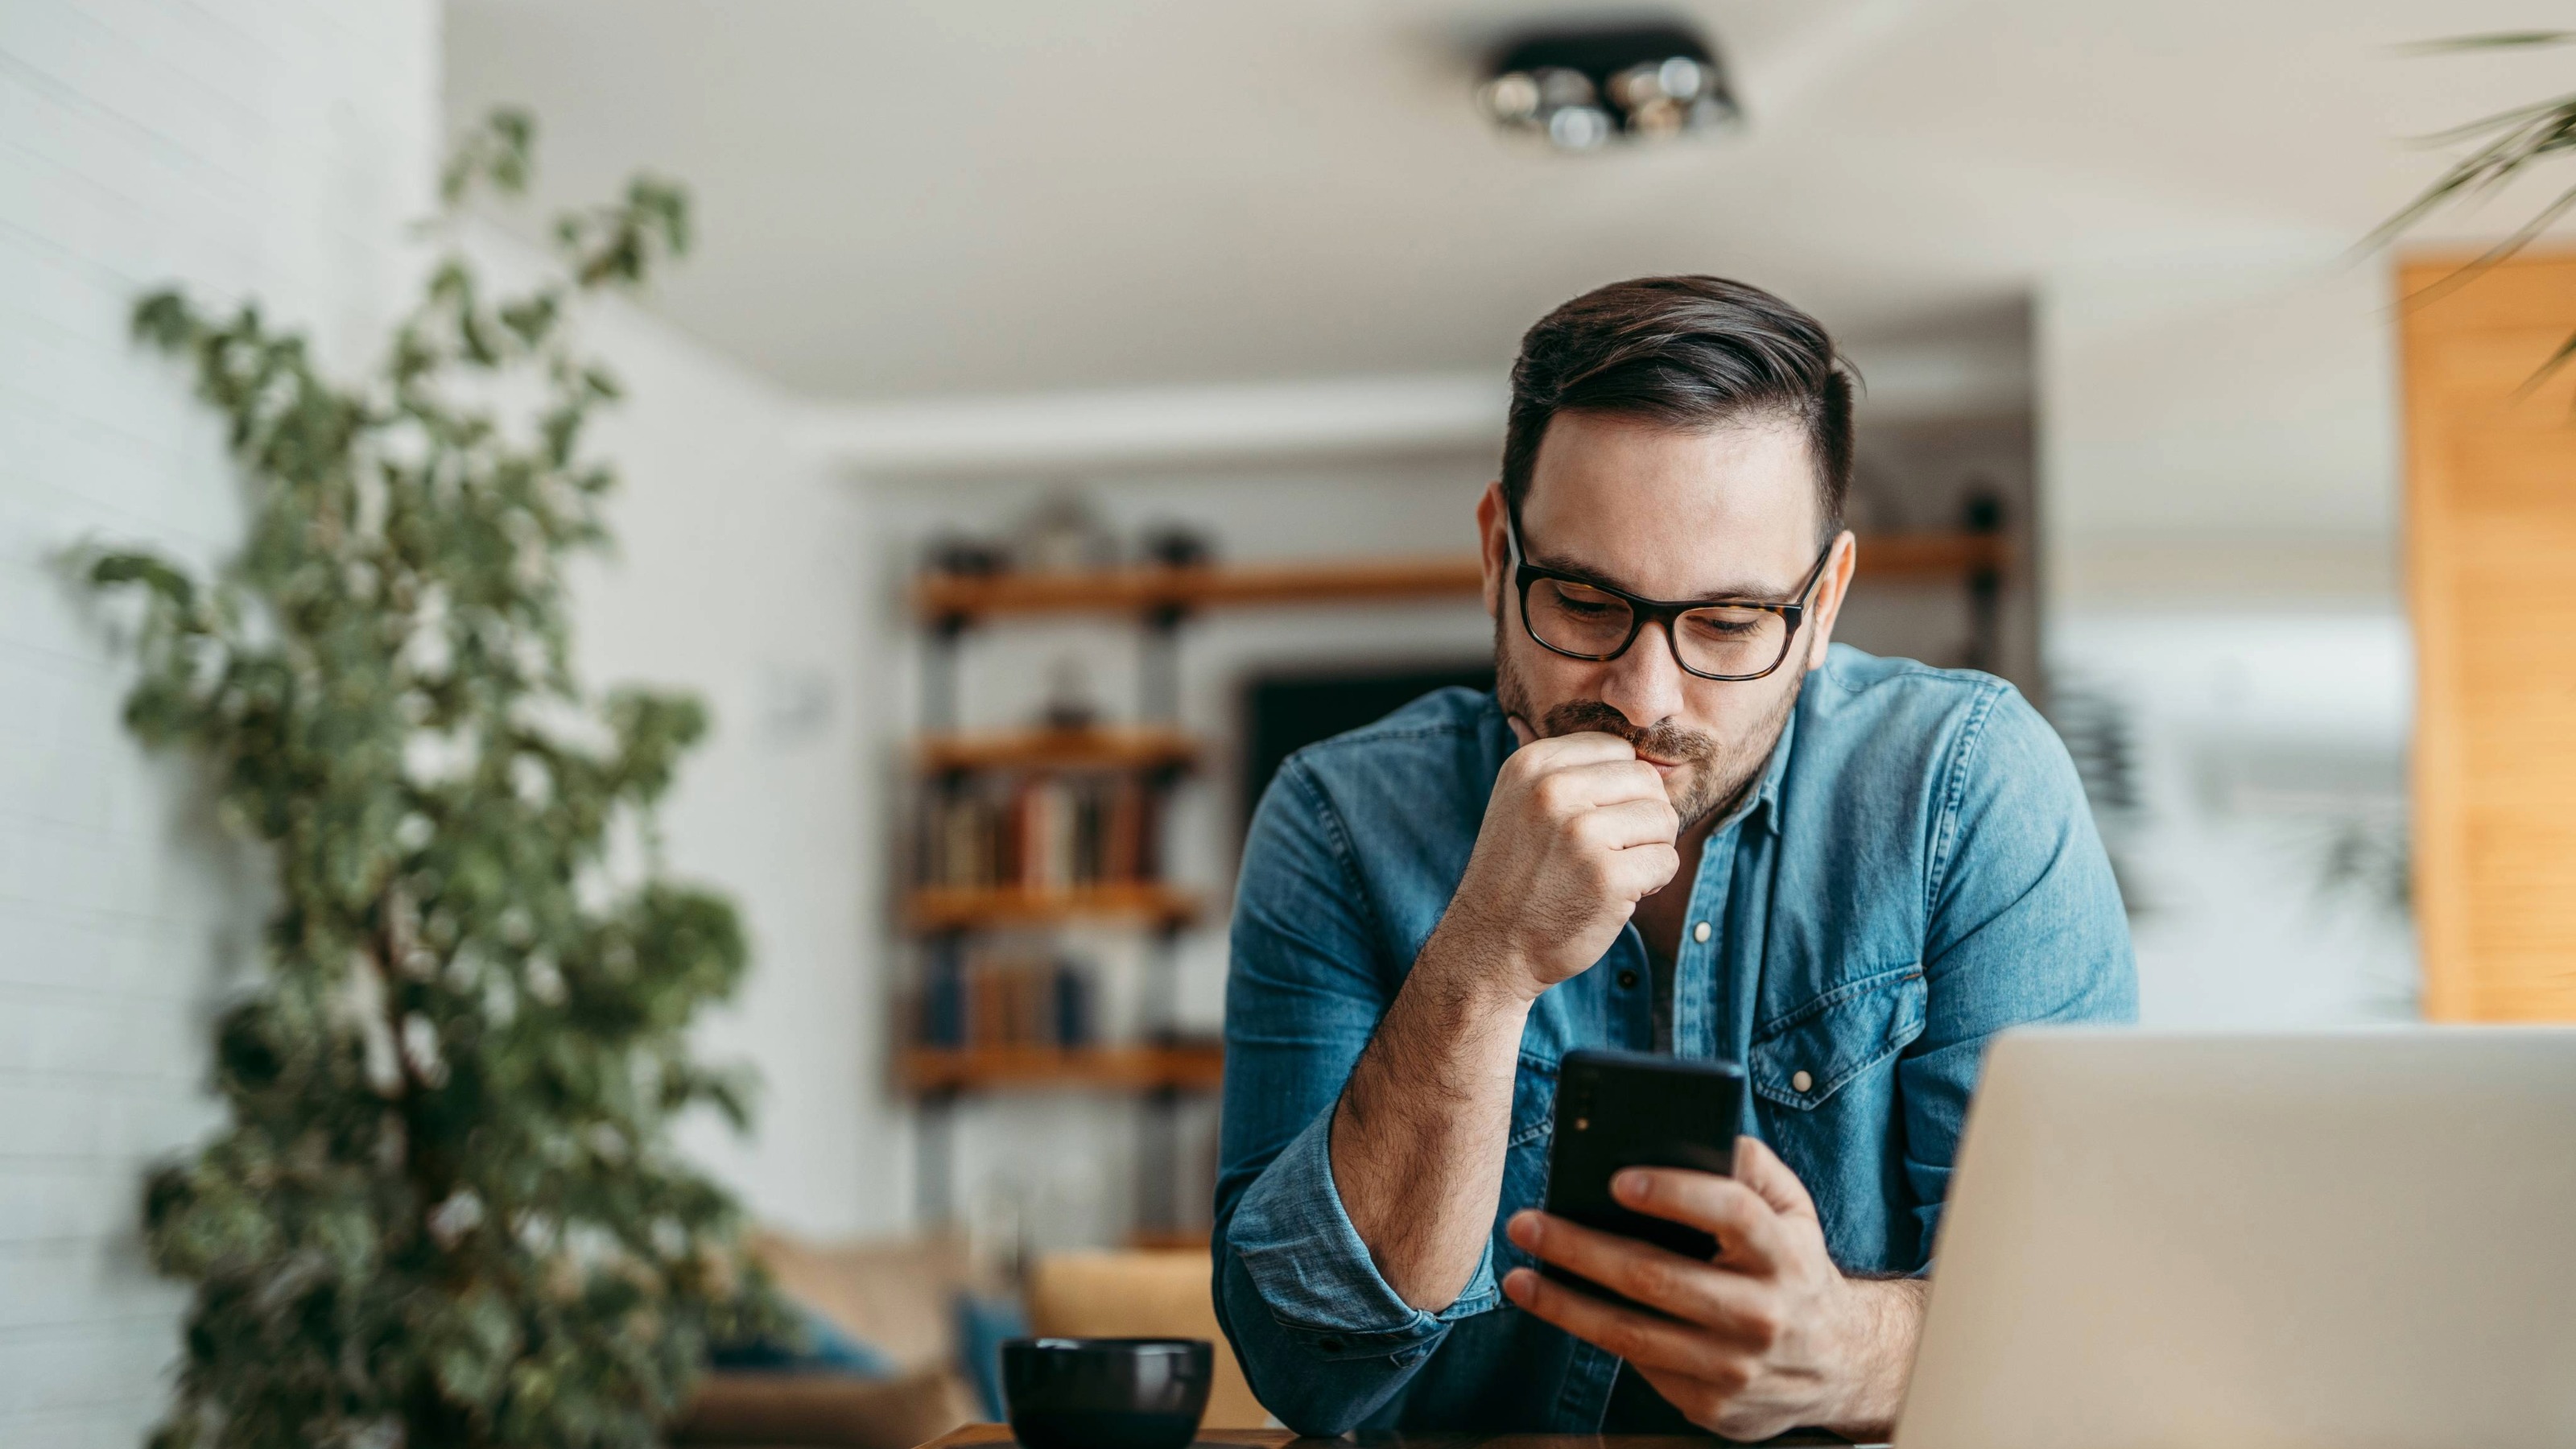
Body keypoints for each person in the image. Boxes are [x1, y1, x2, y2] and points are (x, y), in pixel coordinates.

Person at [1209, 276, 2136, 1439]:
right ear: (1500, 557)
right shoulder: (1336, 819)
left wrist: (1843, 1355)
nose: (1645, 698)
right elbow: (1306, 1366)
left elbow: (2085, 1331)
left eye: (1731, 623)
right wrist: (1482, 964)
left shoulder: (1969, 788)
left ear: (1825, 602)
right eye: (1587, 602)